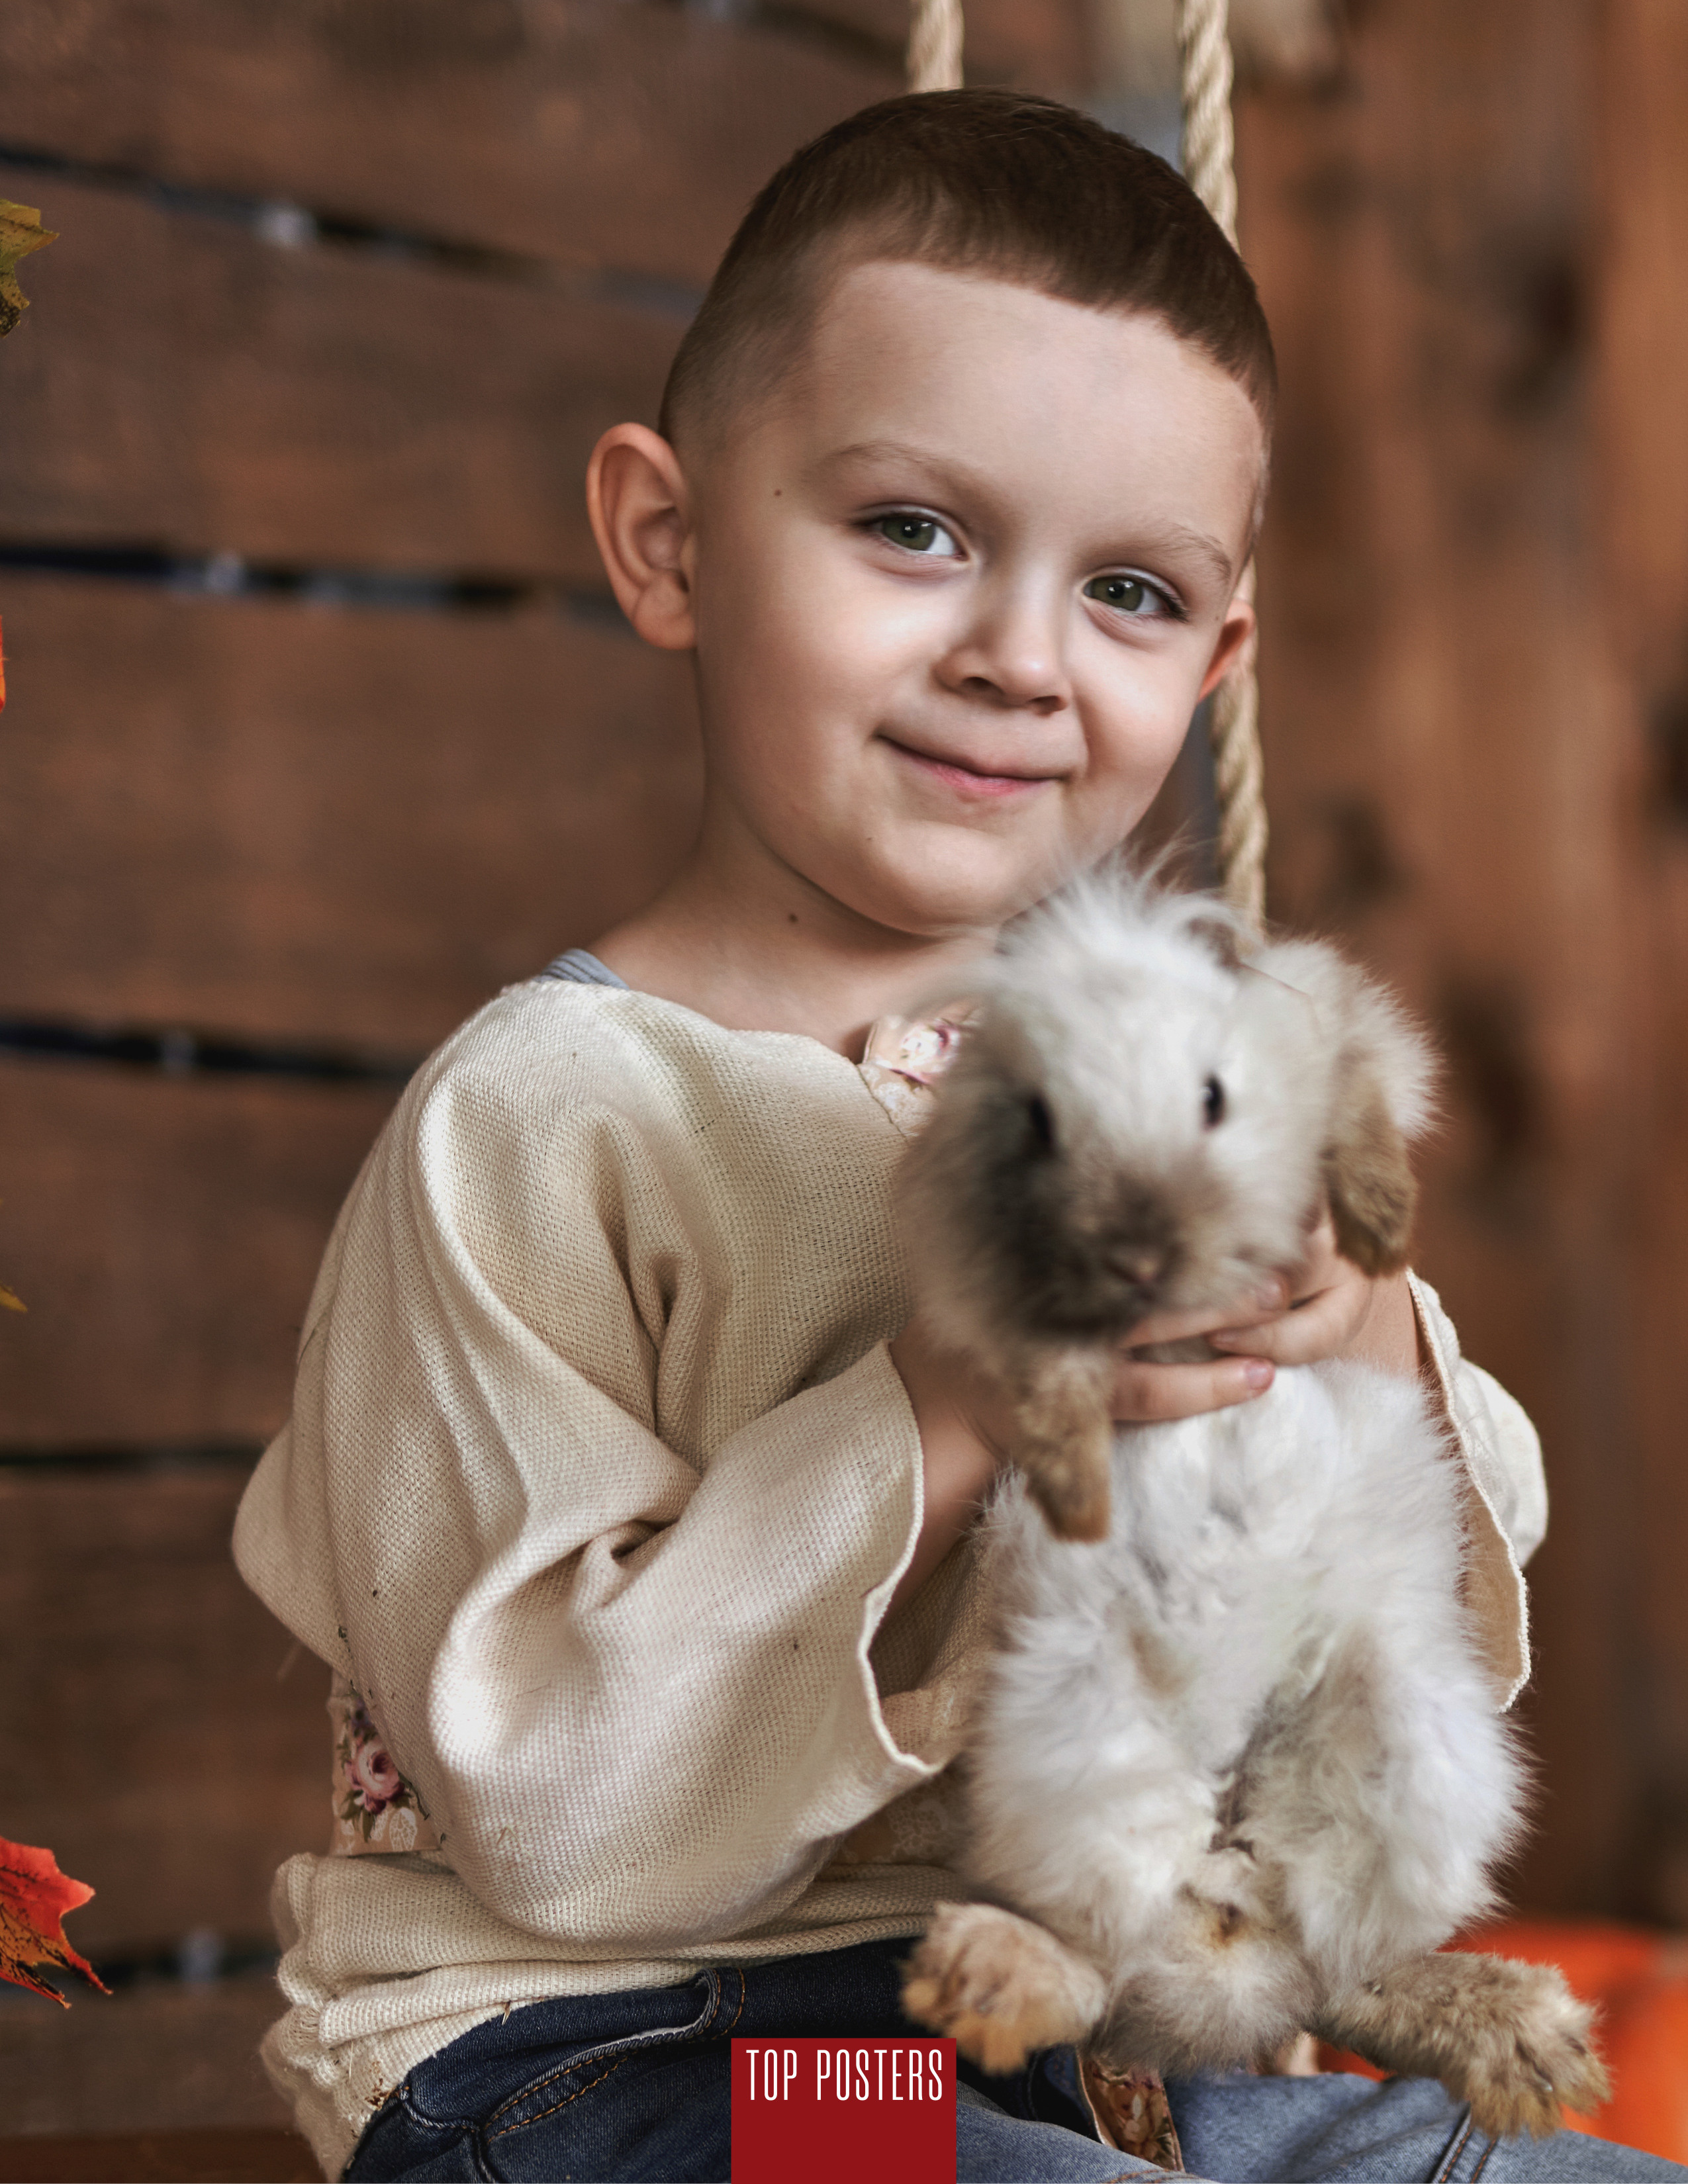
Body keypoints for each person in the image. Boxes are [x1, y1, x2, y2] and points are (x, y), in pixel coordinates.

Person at [233, 91, 1676, 2183]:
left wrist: (1349, 1334)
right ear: (671, 542)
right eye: (914, 529)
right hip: (623, 2055)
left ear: (1218, 660)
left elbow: (1400, 1585)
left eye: (1130, 590)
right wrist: (952, 1398)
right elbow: (549, 1807)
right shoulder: (548, 1123)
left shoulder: (1165, 1080)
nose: (1016, 655)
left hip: (1067, 2027)